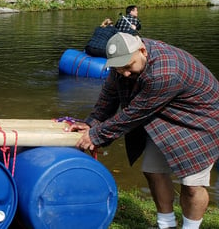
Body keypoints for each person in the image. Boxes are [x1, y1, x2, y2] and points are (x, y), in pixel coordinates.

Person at [70, 32, 219, 229]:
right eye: (119, 68)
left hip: (200, 119)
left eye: (128, 66)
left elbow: (134, 114)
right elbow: (109, 94)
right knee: (152, 171)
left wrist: (97, 135)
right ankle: (165, 225)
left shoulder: (165, 72)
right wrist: (92, 122)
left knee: (192, 184)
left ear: (142, 50)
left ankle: (190, 227)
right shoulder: (125, 62)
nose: (124, 73)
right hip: (163, 113)